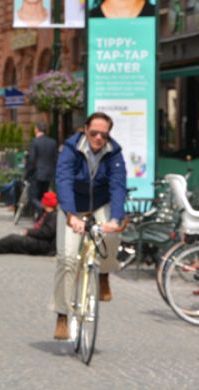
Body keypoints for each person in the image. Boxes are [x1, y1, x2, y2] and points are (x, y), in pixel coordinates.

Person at [50, 112, 126, 340]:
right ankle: (62, 315)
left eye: (104, 134)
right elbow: (63, 180)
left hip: (101, 203)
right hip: (73, 205)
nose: (99, 138)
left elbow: (118, 185)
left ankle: (103, 273)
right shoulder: (71, 149)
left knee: (112, 237)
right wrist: (72, 215)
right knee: (67, 259)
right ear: (85, 130)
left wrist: (115, 219)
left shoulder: (114, 152)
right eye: (94, 133)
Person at [0, 191, 58, 255]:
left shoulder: (54, 216)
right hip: (40, 241)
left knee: (13, 238)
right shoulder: (45, 213)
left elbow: (47, 232)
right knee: (15, 243)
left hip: (44, 245)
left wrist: (29, 232)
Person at [25, 121, 58, 202]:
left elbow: (32, 160)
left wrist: (27, 173)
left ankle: (45, 211)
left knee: (32, 197)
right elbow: (55, 158)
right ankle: (43, 213)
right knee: (43, 197)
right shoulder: (52, 142)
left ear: (36, 130)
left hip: (37, 174)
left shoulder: (34, 141)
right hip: (48, 175)